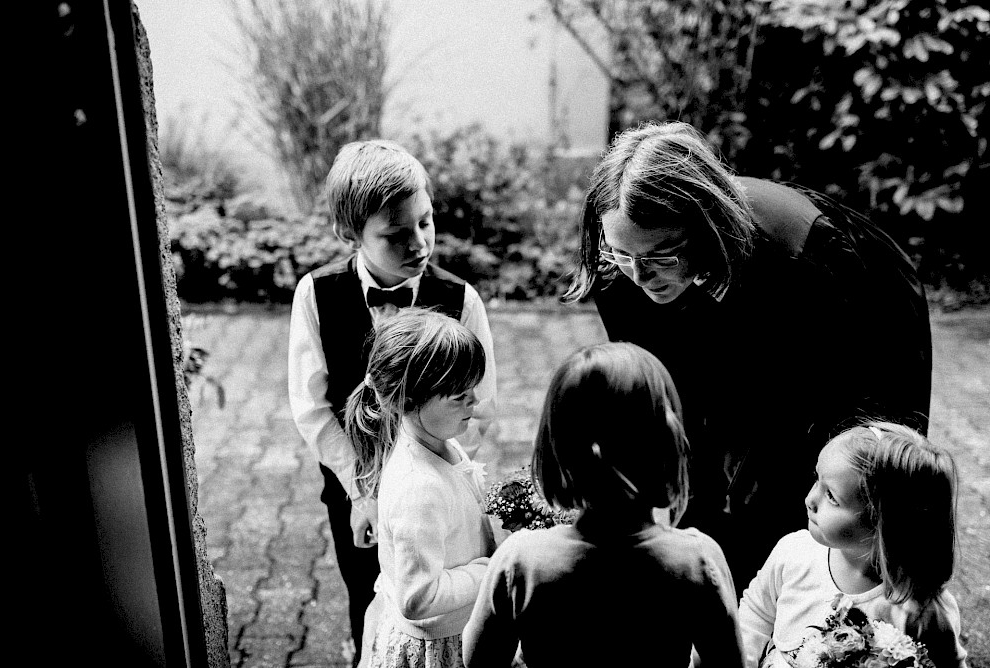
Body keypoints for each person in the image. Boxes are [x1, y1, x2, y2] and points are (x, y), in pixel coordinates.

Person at [564, 121, 932, 590]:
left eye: (660, 255)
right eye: (622, 253)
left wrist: (759, 503)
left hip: (861, 303)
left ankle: (843, 597)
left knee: (840, 473)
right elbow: (669, 386)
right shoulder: (619, 267)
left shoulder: (800, 261)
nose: (640, 275)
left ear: (703, 227)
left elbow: (790, 407)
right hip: (736, 295)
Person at [287, 140, 498, 664]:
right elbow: (312, 407)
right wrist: (363, 490)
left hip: (437, 489)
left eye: (425, 223)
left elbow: (479, 406)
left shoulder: (460, 299)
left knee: (448, 597)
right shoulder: (316, 295)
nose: (419, 243)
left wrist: (436, 478)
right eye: (396, 234)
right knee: (369, 593)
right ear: (350, 234)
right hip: (353, 488)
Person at [462, 342, 744, 668]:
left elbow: (479, 661)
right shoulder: (697, 561)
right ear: (668, 449)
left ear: (556, 453)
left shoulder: (522, 562)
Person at [738, 422, 969, 668]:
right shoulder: (794, 552)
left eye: (831, 496)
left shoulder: (921, 612)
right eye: (817, 479)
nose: (809, 500)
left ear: (882, 523)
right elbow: (755, 617)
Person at [345, 308, 496, 668]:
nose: (474, 401)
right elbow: (419, 597)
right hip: (441, 644)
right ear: (407, 401)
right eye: (458, 394)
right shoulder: (418, 488)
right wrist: (492, 570)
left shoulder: (439, 440)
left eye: (472, 387)